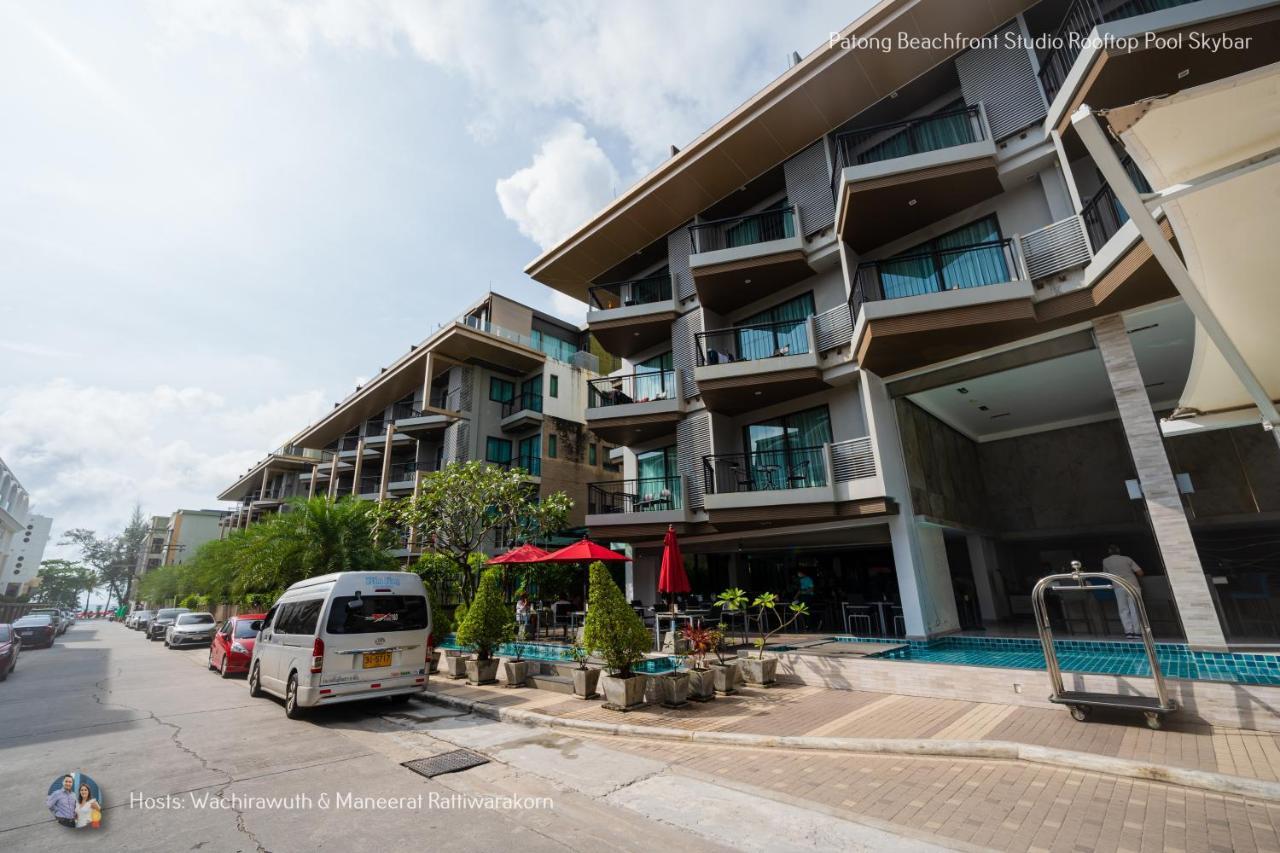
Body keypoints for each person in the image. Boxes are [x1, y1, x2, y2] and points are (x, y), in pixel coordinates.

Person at [1102, 544, 1145, 639]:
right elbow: (1140, 572)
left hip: (1118, 586)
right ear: (1119, 550)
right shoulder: (1127, 559)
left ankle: (1129, 632)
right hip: (1133, 585)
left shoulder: (1105, 561)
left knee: (1123, 610)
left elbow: (1106, 575)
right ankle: (1137, 633)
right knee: (1135, 609)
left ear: (1109, 551)